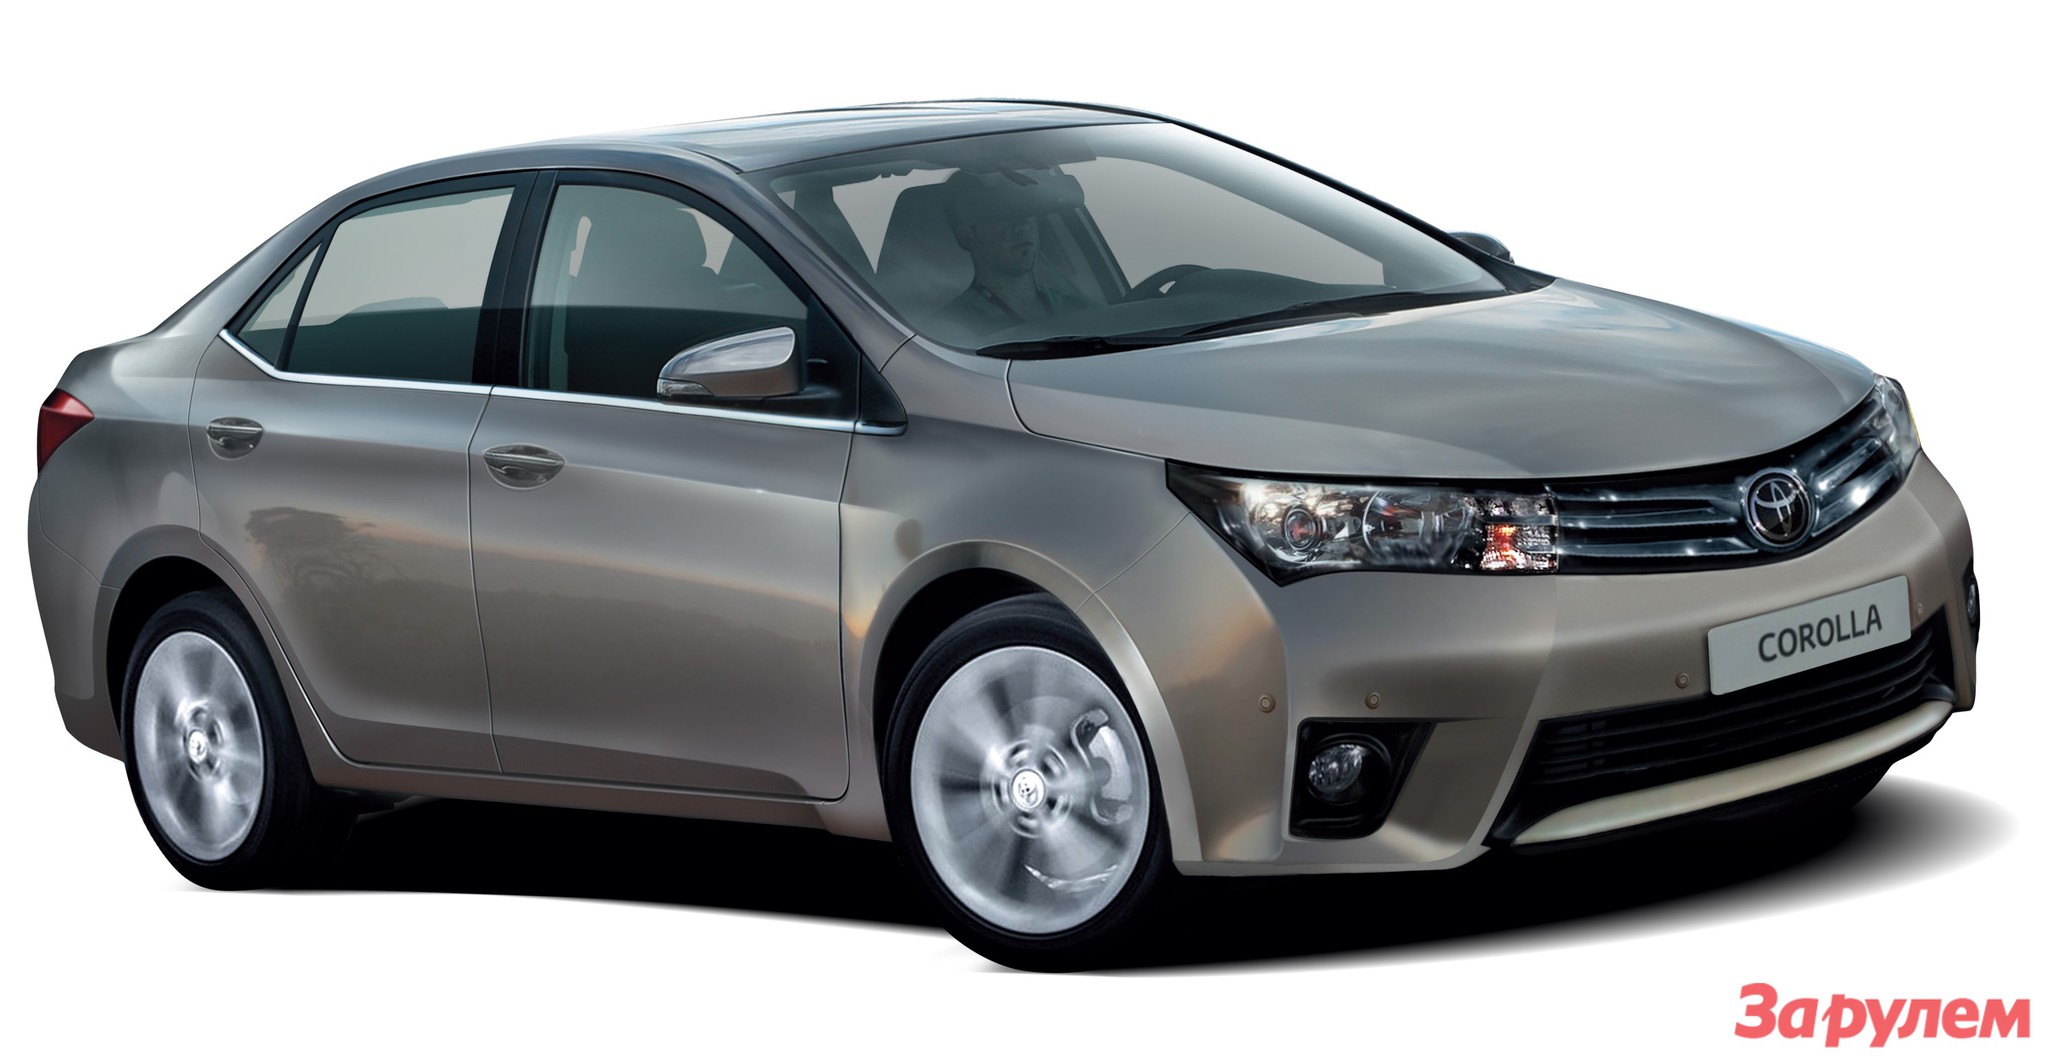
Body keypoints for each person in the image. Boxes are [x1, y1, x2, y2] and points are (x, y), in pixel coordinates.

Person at [933, 172, 1090, 336]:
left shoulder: (1080, 311)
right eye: (1001, 215)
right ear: (968, 237)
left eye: (1026, 209)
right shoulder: (948, 331)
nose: (1021, 226)